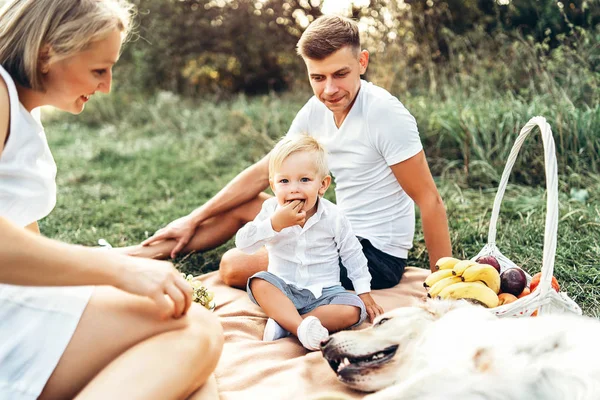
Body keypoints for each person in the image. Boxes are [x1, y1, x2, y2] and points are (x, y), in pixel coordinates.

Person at [0, 1, 222, 399]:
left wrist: (128, 261)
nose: (107, 86)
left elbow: (33, 254)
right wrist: (114, 271)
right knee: (196, 333)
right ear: (48, 53)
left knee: (192, 370)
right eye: (99, 70)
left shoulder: (22, 114)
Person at [133, 14, 452, 289]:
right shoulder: (317, 109)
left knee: (232, 265)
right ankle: (135, 257)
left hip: (375, 257)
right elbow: (265, 170)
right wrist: (192, 218)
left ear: (362, 62)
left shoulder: (385, 114)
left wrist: (442, 287)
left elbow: (430, 200)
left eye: (340, 74)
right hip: (334, 228)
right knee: (244, 202)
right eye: (318, 77)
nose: (329, 89)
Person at [237, 135, 383, 351]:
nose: (294, 189)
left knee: (353, 310)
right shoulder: (270, 211)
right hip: (283, 287)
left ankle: (287, 324)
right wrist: (274, 224)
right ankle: (299, 325)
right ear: (273, 186)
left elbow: (352, 254)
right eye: (284, 181)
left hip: (325, 292)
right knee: (259, 282)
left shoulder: (334, 216)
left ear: (322, 185)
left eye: (304, 180)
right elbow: (243, 243)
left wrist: (364, 292)